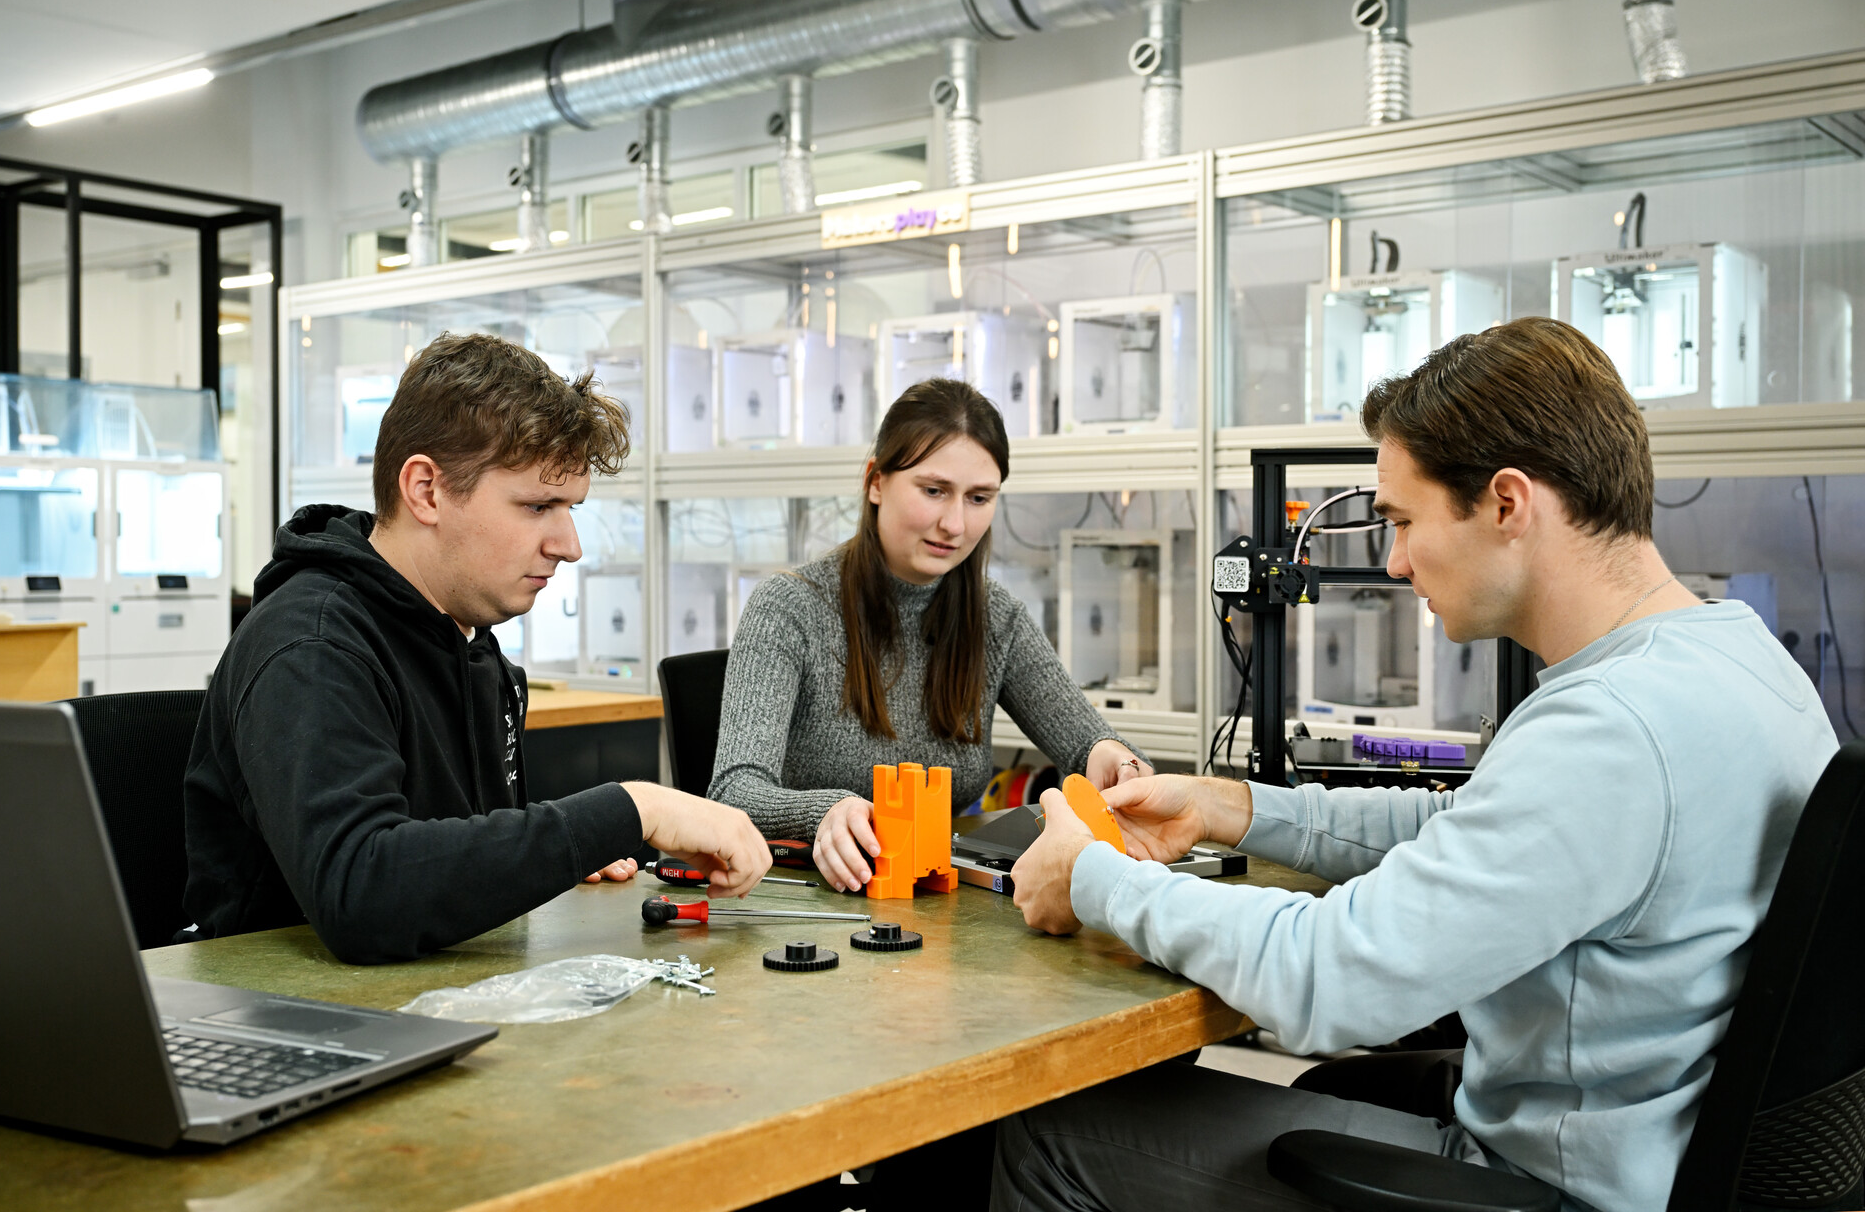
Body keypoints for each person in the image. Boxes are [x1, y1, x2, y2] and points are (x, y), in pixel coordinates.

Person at [998, 317, 1838, 1212]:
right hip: (1652, 1151)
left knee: (1047, 1128)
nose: (1395, 563)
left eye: (1402, 520)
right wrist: (1232, 806)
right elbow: (1471, 832)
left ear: (1508, 504)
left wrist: (1090, 877)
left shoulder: (1611, 731)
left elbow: (1330, 979)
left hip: (1546, 1187)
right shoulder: (1733, 661)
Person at [181, 332, 771, 965]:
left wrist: (541, 858)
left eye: (569, 507)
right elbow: (363, 892)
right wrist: (631, 809)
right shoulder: (312, 645)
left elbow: (447, 857)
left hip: (443, 999)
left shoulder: (473, 644)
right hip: (292, 1027)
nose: (568, 545)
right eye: (537, 505)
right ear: (427, 489)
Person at [708, 377, 1151, 894]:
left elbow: (1084, 742)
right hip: (803, 903)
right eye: (934, 490)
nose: (955, 524)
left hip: (938, 907)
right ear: (877, 482)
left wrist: (1110, 756)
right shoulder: (789, 608)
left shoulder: (994, 617)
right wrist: (826, 811)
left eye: (979, 498)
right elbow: (733, 792)